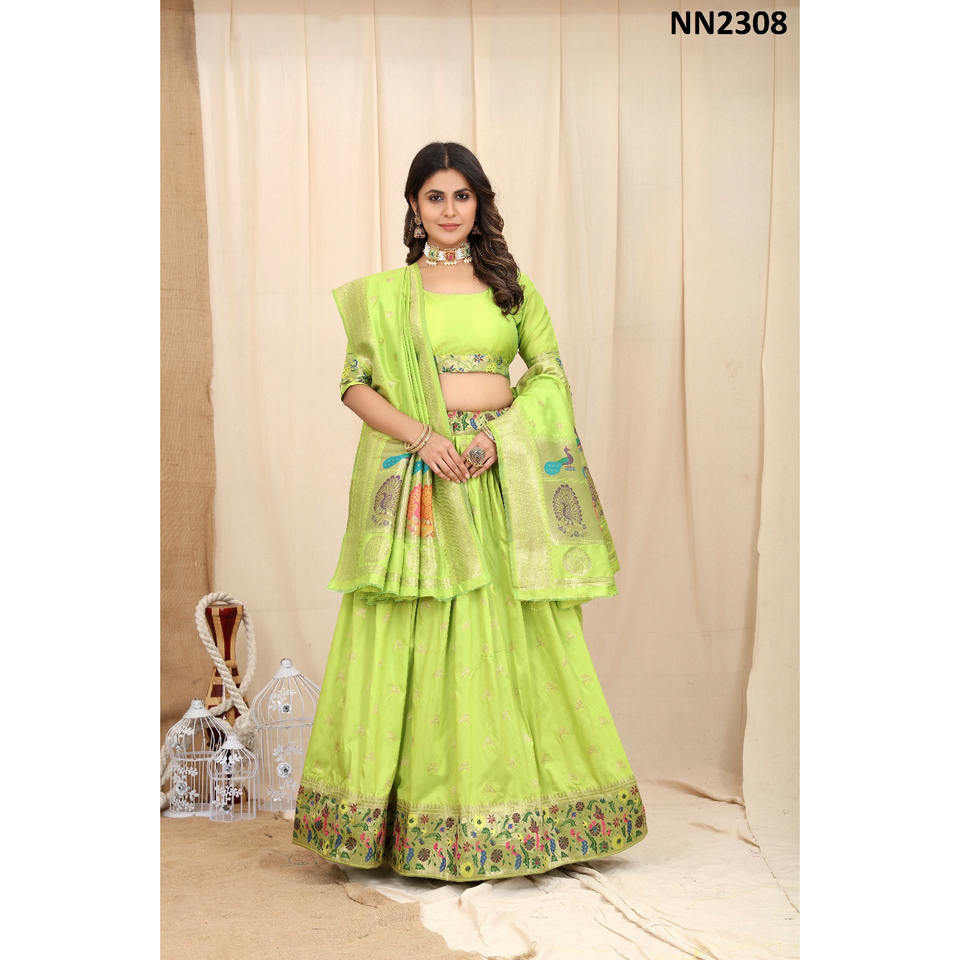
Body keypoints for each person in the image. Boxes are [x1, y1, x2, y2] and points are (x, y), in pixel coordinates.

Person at [291, 141, 648, 881]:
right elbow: (355, 385)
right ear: (413, 207)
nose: (449, 209)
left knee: (509, 636)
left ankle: (520, 816)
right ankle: (413, 822)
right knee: (414, 633)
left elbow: (548, 374)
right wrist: (424, 438)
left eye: (462, 195)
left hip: (496, 476)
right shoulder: (388, 296)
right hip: (421, 476)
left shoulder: (510, 289)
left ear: (479, 203)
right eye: (435, 196)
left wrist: (498, 439)